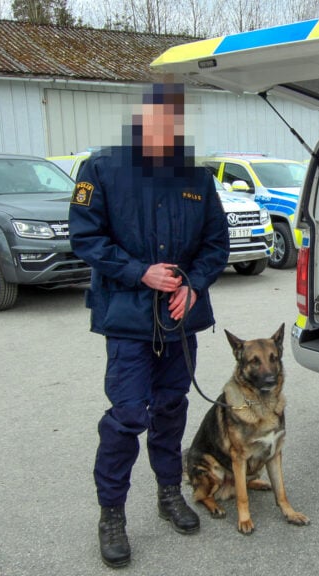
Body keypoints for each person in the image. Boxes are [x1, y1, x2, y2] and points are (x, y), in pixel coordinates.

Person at [68, 82, 229, 569]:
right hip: (128, 319)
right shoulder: (100, 169)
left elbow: (215, 244)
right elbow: (84, 237)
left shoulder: (196, 176)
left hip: (181, 321)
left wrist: (193, 284)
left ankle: (167, 494)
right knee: (126, 417)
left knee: (171, 409)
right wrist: (140, 271)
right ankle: (111, 513)